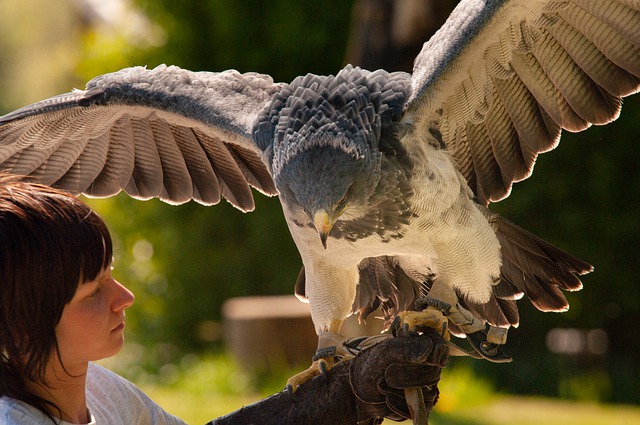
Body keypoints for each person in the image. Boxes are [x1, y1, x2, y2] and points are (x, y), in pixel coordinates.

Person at [0, 174, 447, 425]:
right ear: (21, 329)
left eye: (111, 276)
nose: (124, 297)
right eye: (92, 292)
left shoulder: (98, 391)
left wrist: (349, 394)